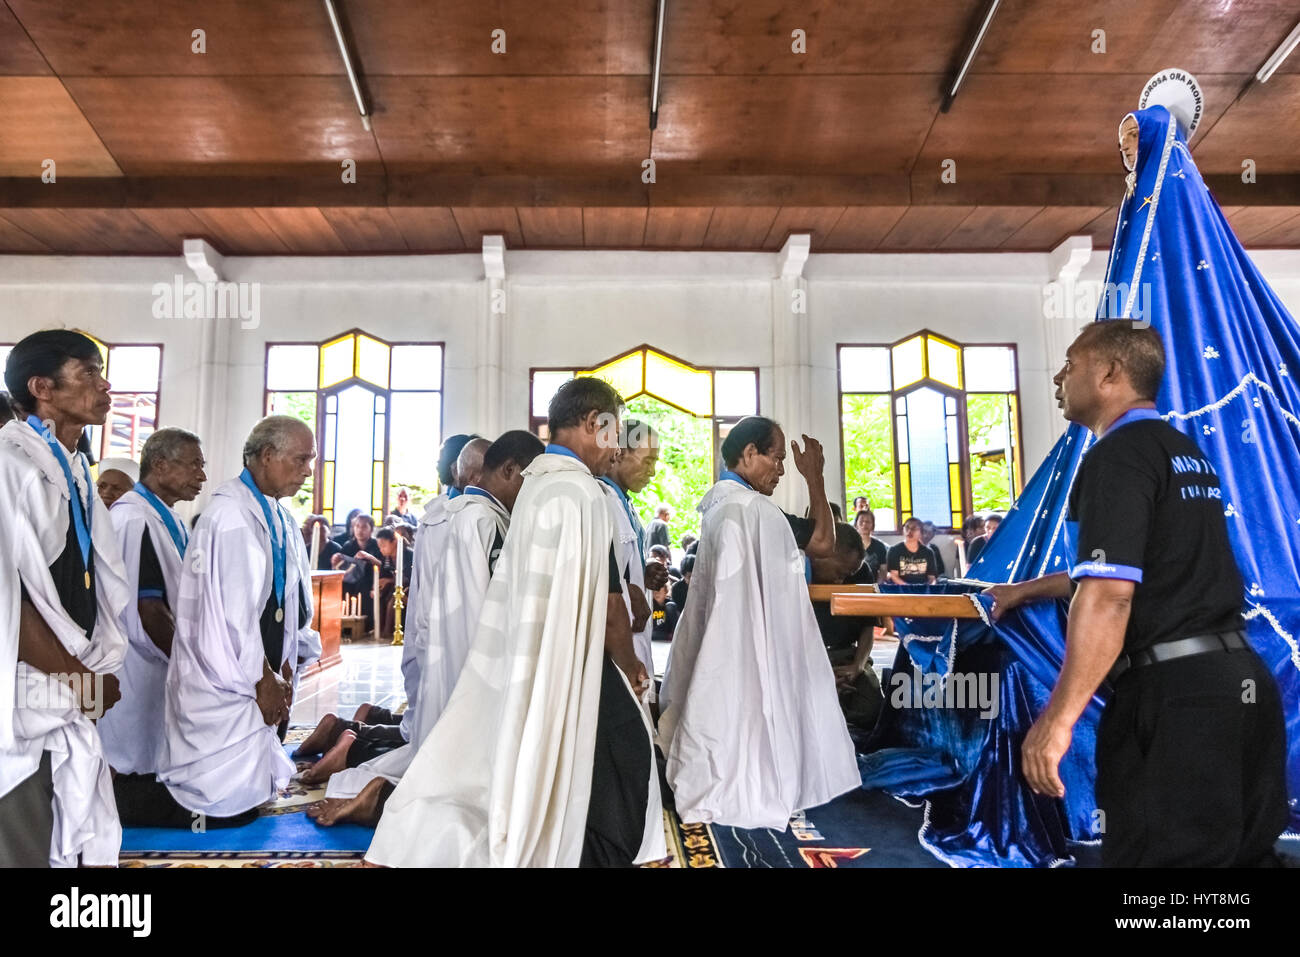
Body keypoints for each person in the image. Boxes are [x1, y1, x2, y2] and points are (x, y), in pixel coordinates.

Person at [986, 321, 1288, 867]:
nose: (1059, 377)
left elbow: (1110, 597)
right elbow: (1143, 567)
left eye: (1071, 364)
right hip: (1240, 686)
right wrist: (1025, 589)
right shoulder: (1181, 451)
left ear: (1109, 373)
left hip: (1178, 702)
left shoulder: (1117, 457)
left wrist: (1057, 720)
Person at [365, 378, 664, 866]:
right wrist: (631, 667)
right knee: (630, 748)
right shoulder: (581, 492)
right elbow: (611, 605)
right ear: (593, 423)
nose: (615, 446)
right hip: (571, 656)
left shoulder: (538, 485)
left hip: (533, 653)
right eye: (611, 430)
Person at [307, 430, 545, 824]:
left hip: (445, 660)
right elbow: (489, 612)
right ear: (507, 470)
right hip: (474, 667)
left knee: (438, 752)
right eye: (529, 480)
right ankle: (382, 796)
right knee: (474, 773)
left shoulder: (455, 515)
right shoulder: (486, 522)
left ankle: (370, 780)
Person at [659, 416, 858, 829]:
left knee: (729, 716)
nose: (783, 469)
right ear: (749, 454)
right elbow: (824, 543)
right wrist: (815, 479)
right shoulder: (753, 510)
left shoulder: (720, 506)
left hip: (724, 640)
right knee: (751, 718)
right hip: (748, 639)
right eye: (778, 458)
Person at [0, 330, 129, 866]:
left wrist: (87, 672)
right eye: (89, 373)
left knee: (66, 834)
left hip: (65, 683)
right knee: (25, 836)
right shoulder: (12, 465)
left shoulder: (73, 467)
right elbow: (8, 602)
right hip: (28, 687)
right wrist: (81, 681)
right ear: (41, 387)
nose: (105, 387)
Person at [156, 416, 321, 822]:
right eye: (301, 460)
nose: (307, 471)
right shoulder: (232, 515)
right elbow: (235, 615)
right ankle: (130, 801)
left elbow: (282, 596)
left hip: (259, 664)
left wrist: (288, 658)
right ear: (267, 455)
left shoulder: (273, 513)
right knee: (222, 808)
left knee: (251, 793)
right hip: (228, 673)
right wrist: (263, 677)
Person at [98, 428, 206, 781]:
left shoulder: (166, 516)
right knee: (133, 763)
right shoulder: (134, 517)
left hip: (159, 660)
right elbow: (148, 610)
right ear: (159, 465)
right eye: (193, 465)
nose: (201, 475)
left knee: (157, 758)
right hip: (139, 663)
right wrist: (190, 663)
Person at [599, 418, 667, 686]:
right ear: (619, 453)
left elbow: (623, 563)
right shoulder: (601, 500)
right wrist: (628, 588)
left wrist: (643, 571)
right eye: (648, 461)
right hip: (615, 647)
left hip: (634, 637)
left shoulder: (624, 504)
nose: (652, 472)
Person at [811, 523, 883, 731]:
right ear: (824, 554)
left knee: (871, 706)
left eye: (848, 575)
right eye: (840, 572)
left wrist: (857, 666)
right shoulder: (798, 571)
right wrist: (821, 673)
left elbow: (868, 626)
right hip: (812, 658)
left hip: (848, 656)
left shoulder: (861, 573)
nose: (841, 581)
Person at [334, 513, 383, 630]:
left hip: (371, 581)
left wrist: (369, 557)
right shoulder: (348, 545)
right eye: (357, 526)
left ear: (371, 529)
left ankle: (368, 627)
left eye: (364, 527)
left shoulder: (377, 545)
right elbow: (342, 567)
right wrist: (336, 561)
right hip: (351, 581)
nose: (360, 530)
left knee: (365, 589)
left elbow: (384, 566)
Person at [886, 518, 937, 585]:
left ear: (921, 533)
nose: (909, 531)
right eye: (907, 528)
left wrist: (928, 588)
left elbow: (932, 578)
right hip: (901, 589)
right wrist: (908, 588)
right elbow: (894, 576)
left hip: (923, 590)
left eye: (914, 528)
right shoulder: (894, 550)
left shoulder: (928, 552)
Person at [850, 507, 888, 583]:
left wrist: (877, 587)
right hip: (852, 586)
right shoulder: (850, 544)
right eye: (861, 521)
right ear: (856, 524)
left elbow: (883, 570)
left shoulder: (880, 546)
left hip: (873, 586)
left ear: (873, 525)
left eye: (868, 522)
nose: (864, 524)